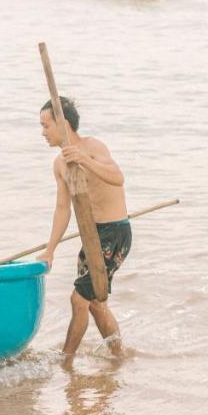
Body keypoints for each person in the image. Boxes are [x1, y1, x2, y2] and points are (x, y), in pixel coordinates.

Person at [36, 98, 130, 358]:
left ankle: (65, 359)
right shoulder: (59, 164)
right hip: (92, 237)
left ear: (63, 124)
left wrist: (84, 160)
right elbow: (63, 209)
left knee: (78, 300)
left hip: (115, 232)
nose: (43, 132)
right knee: (96, 304)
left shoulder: (92, 146)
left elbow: (117, 177)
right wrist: (50, 250)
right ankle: (118, 356)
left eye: (46, 126)